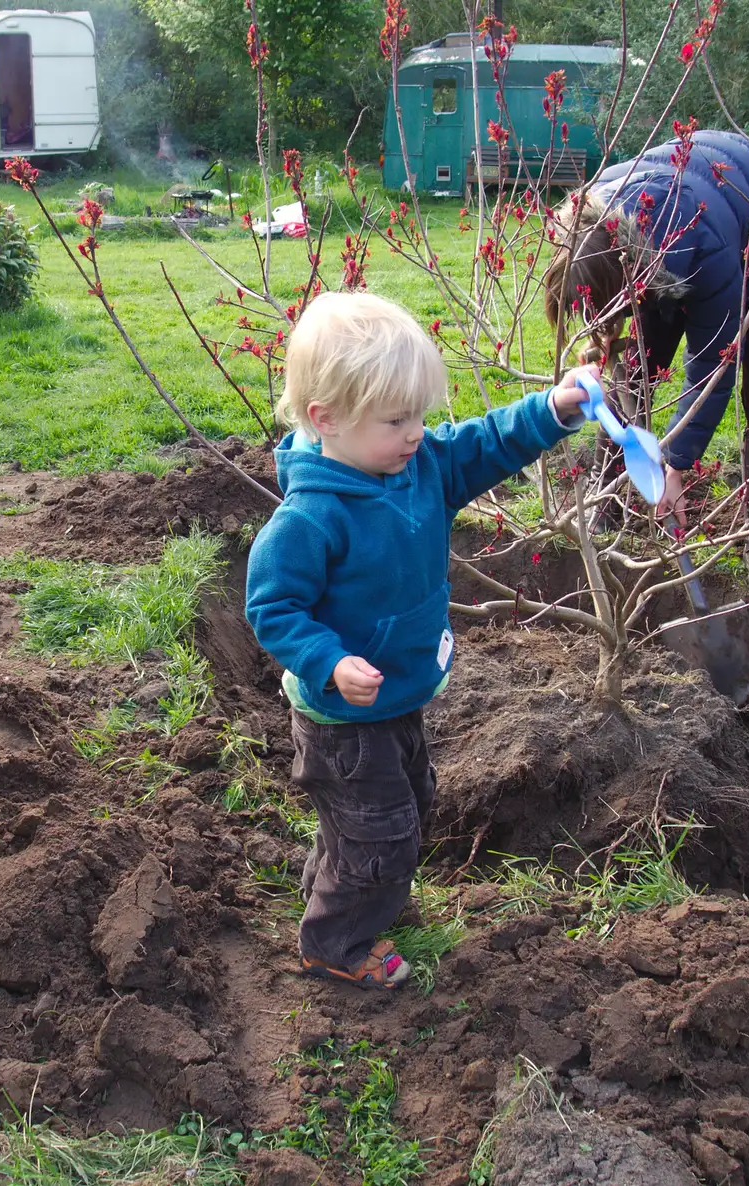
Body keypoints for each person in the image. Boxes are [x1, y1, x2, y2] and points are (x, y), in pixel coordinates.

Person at [245, 292, 593, 989]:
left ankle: (347, 889)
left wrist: (554, 409)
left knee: (401, 804)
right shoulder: (310, 519)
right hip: (342, 716)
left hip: (399, 691)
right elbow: (273, 607)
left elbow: (488, 442)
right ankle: (334, 945)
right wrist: (329, 662)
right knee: (384, 831)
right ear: (326, 419)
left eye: (420, 416)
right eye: (397, 420)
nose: (416, 433)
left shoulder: (418, 465)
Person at [542, 129, 749, 596]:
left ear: (630, 272)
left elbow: (713, 366)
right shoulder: (589, 226)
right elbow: (612, 320)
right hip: (681, 227)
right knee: (637, 367)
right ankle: (606, 493)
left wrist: (676, 468)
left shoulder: (701, 246)